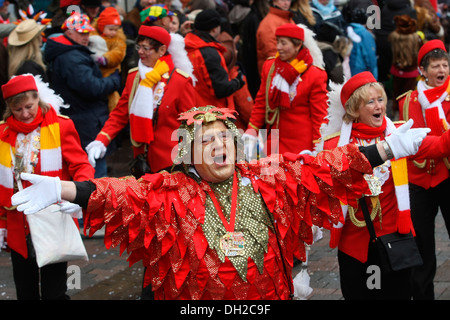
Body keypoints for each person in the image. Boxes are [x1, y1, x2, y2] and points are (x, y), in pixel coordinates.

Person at [10, 105, 430, 300]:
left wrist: (389, 148)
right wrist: (63, 190)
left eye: (225, 139)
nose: (219, 147)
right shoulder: (169, 189)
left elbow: (328, 167)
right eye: (206, 141)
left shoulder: (270, 176)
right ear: (188, 153)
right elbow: (119, 192)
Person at [316, 71, 450, 299]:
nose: (379, 105)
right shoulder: (335, 144)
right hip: (355, 246)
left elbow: (439, 146)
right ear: (354, 109)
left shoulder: (399, 135)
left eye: (380, 100)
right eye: (370, 101)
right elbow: (331, 173)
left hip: (396, 242)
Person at [0, 74, 95, 300]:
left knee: (55, 294)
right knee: (25, 292)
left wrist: (78, 195)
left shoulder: (61, 126)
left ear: (38, 99)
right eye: (18, 109)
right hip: (17, 225)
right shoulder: (3, 133)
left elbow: (81, 164)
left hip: (53, 219)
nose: (24, 114)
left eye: (29, 106)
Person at [85, 25, 196, 176]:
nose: (140, 52)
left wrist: (192, 164)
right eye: (139, 47)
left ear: (162, 50)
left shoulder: (180, 81)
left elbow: (192, 126)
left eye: (146, 48)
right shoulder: (134, 77)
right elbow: (119, 114)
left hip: (172, 165)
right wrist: (101, 140)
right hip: (142, 163)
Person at [398, 39, 450, 300]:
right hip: (418, 182)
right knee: (421, 250)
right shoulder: (408, 102)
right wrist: (442, 143)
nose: (441, 70)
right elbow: (415, 144)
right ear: (422, 71)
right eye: (435, 66)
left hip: (448, 178)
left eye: (445, 64)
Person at [44, 12, 121, 178]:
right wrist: (114, 80)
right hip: (86, 123)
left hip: (84, 120)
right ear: (69, 32)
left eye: (87, 32)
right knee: (94, 172)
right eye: (81, 33)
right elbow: (92, 88)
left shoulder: (70, 51)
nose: (86, 36)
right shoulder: (71, 57)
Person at [244, 23, 328, 160]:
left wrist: (318, 147)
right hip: (274, 141)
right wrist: (251, 130)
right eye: (277, 42)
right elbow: (261, 102)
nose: (278, 47)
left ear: (298, 45)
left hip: (301, 145)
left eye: (284, 43)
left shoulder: (315, 74)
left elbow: (320, 116)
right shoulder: (270, 67)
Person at [184, 9, 245, 109]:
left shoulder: (187, 45)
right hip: (211, 114)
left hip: (193, 110)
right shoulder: (209, 53)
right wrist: (238, 81)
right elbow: (220, 89)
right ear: (214, 29)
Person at [89, 6, 127, 112]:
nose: (113, 33)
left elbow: (119, 53)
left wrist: (106, 58)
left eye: (116, 30)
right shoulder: (92, 35)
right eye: (110, 29)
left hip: (109, 70)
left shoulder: (118, 40)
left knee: (112, 96)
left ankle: (114, 114)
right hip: (94, 71)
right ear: (101, 27)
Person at [388, 15, 423, 114]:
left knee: (396, 92)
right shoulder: (417, 38)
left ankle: (395, 111)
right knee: (408, 94)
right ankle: (406, 112)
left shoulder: (393, 37)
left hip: (397, 70)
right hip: (411, 72)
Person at [256, 0, 294, 74]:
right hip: (275, 73)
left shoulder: (288, 18)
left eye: (289, 0)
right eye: (282, 0)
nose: (286, 3)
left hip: (289, 69)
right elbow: (271, 53)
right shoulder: (268, 23)